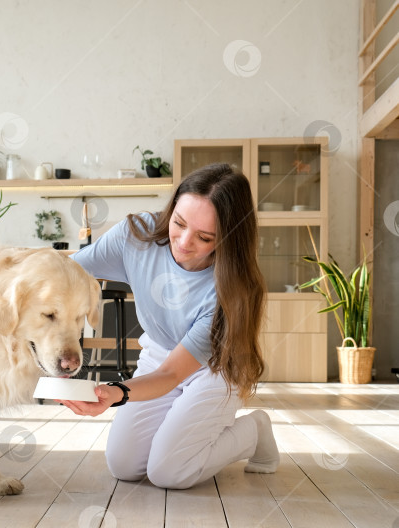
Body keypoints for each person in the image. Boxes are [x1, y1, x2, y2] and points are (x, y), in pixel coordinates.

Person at [62, 162, 279, 489]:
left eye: (204, 237)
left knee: (170, 472)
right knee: (123, 465)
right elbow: (65, 272)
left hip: (214, 369)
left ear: (229, 239)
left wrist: (115, 393)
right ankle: (181, 426)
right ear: (172, 206)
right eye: (179, 223)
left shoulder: (231, 292)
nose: (183, 242)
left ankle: (255, 432)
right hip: (160, 354)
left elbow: (171, 375)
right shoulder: (136, 236)